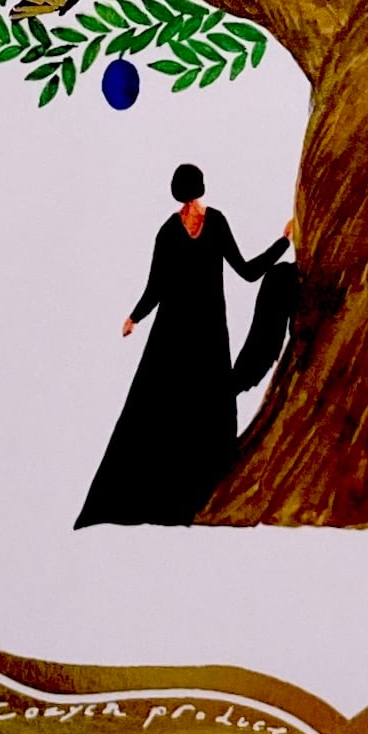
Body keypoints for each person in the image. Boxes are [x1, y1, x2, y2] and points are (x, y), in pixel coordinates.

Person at [74, 166, 291, 526]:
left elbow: (247, 270)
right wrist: (135, 317)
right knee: (161, 406)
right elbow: (156, 286)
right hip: (173, 334)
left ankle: (207, 487)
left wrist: (283, 242)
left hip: (209, 333)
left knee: (211, 406)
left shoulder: (216, 223)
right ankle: (160, 493)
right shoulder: (168, 232)